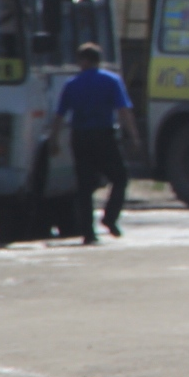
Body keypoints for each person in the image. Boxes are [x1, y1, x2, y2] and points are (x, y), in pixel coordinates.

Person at [45, 43, 140, 244]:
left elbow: (59, 115)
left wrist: (53, 140)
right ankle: (110, 218)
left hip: (80, 138)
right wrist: (134, 136)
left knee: (84, 186)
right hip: (104, 137)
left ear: (83, 61)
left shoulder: (72, 84)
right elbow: (123, 111)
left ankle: (88, 233)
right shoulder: (111, 81)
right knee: (120, 178)